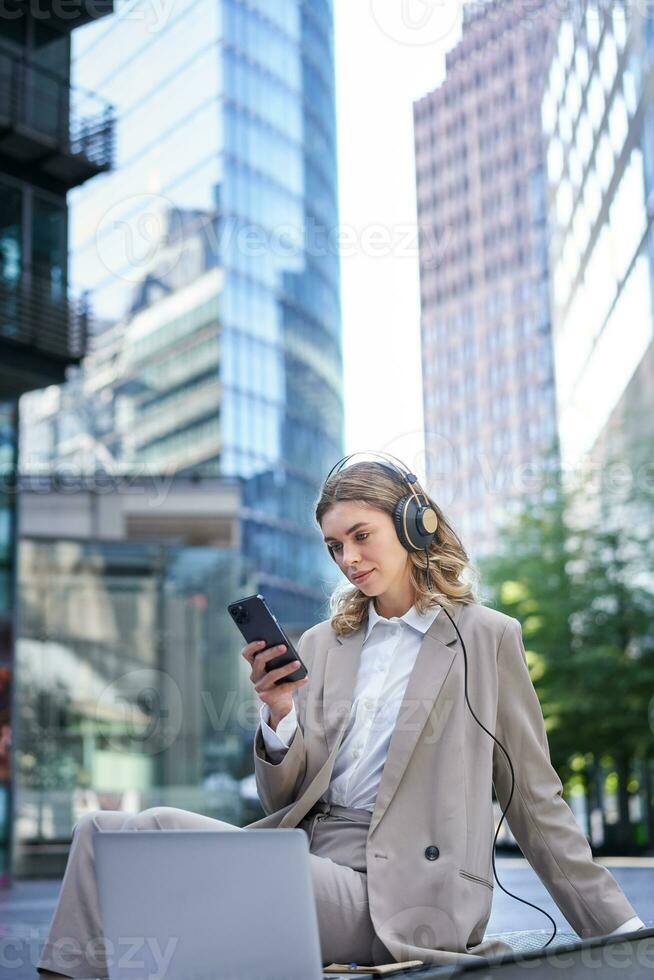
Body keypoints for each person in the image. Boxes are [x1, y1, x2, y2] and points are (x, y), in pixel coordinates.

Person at [37, 459, 645, 978]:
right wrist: (279, 716)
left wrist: (628, 939)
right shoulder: (326, 643)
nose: (348, 559)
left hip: (403, 894)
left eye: (360, 536)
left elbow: (535, 803)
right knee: (105, 836)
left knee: (153, 847)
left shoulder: (486, 639)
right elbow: (284, 794)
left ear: (413, 524)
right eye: (334, 546)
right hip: (307, 861)